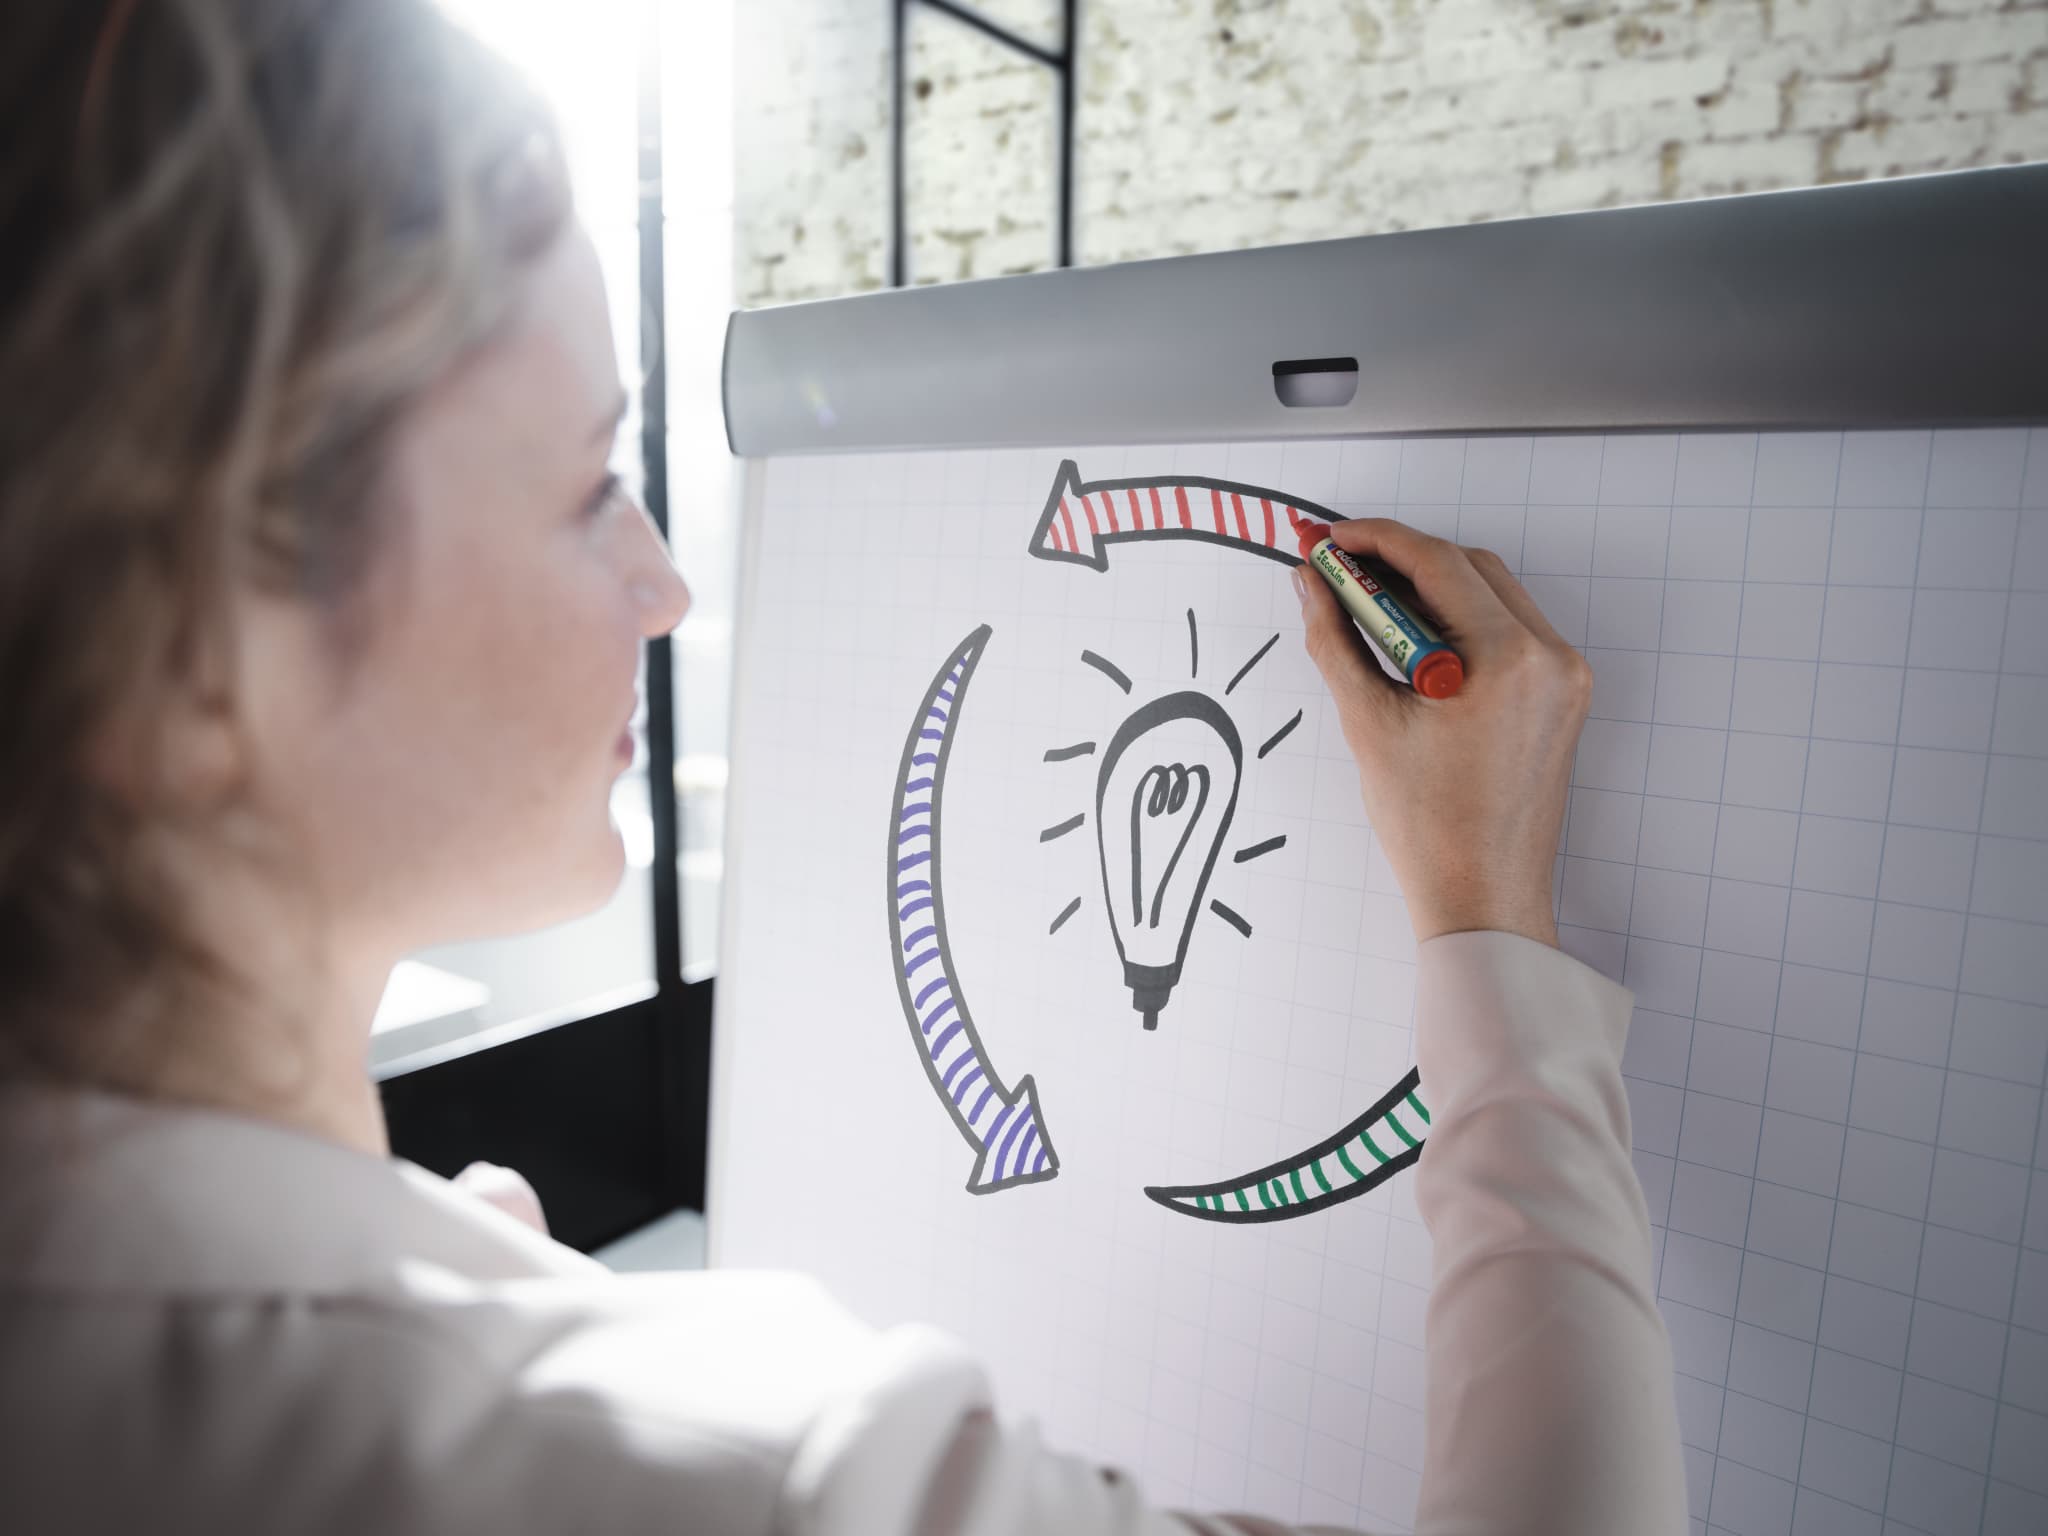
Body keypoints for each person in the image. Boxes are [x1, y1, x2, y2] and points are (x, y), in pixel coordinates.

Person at [0, 2, 1686, 1533]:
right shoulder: (744, 1472)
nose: (664, 584)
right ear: (200, 663)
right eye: (591, 485)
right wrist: (1485, 920)